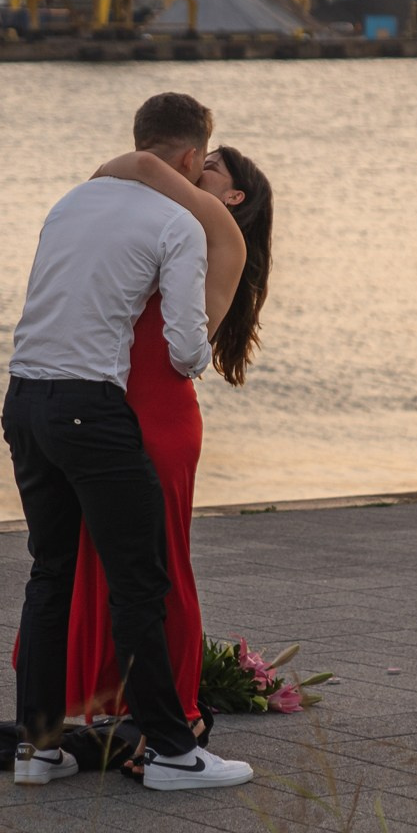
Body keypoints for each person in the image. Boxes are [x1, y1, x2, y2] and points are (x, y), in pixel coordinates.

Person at [2, 92, 255, 791]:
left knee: (55, 574)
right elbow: (184, 350)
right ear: (188, 157)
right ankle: (171, 750)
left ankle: (40, 749)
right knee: (137, 583)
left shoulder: (74, 203)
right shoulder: (175, 223)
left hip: (29, 398)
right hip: (95, 411)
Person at [60, 144, 273, 733]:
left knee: (161, 563)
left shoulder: (219, 237)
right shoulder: (171, 233)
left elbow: (145, 165)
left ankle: (175, 707)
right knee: (97, 559)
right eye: (197, 159)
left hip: (160, 418)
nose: (196, 171)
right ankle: (101, 697)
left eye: (210, 167)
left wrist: (118, 168)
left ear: (234, 196)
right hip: (111, 407)